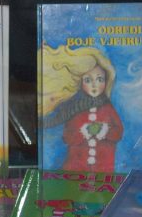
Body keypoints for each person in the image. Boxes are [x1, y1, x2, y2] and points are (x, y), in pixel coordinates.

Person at [40, 44, 123, 172]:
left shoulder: (108, 108)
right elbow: (67, 137)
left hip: (103, 167)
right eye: (88, 80)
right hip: (75, 167)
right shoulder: (73, 109)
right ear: (80, 83)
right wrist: (83, 132)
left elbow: (118, 132)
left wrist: (104, 130)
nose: (94, 85)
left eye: (100, 79)